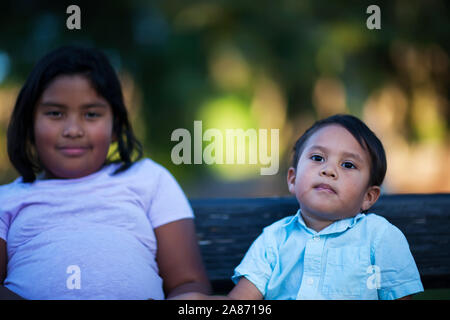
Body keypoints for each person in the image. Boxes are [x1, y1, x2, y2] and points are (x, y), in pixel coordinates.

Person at [0, 45, 211, 300]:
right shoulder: (7, 200)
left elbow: (187, 283)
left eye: (91, 114)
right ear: (29, 123)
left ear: (115, 126)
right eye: (55, 113)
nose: (73, 130)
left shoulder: (149, 180)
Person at [173, 114, 424, 300]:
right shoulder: (274, 240)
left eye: (348, 165)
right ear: (292, 179)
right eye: (317, 158)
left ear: (368, 197)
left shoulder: (380, 237)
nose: (328, 170)